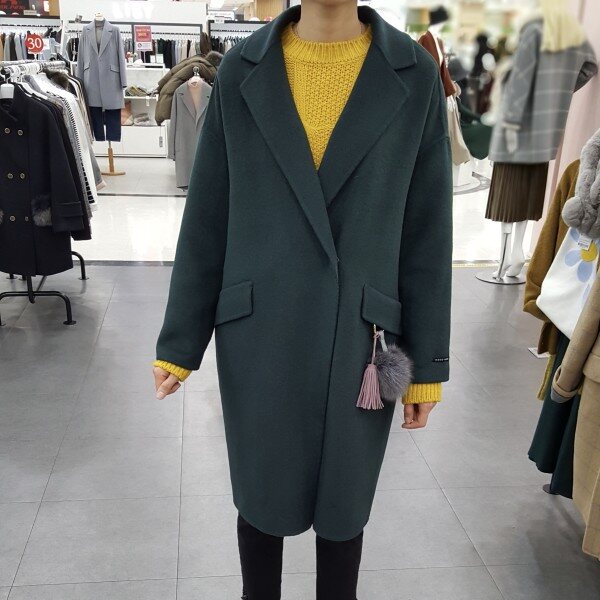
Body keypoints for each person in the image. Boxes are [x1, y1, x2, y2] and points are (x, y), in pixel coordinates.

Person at [152, 1, 452, 598]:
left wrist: (427, 366)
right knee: (261, 501)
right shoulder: (242, 69)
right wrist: (181, 341)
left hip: (362, 342)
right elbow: (208, 213)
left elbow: (426, 231)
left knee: (345, 509)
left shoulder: (414, 75)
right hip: (260, 331)